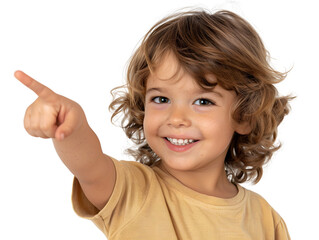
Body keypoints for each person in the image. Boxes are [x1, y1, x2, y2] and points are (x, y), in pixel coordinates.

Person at [15, 8, 292, 240]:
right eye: (161, 98)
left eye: (203, 102)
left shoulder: (265, 220)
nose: (176, 118)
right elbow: (89, 166)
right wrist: (71, 126)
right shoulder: (132, 191)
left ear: (244, 115)